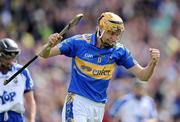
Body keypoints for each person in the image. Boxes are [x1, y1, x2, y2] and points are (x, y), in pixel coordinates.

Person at [39, 12, 160, 122]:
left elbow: (143, 76)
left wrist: (153, 63)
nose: (114, 38)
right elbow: (45, 54)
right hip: (78, 102)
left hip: (98, 107)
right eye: (111, 33)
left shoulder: (119, 51)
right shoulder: (79, 42)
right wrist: (49, 45)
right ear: (100, 29)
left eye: (117, 34)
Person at [0, 38, 36, 122]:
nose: (11, 61)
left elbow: (30, 100)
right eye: (7, 58)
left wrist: (31, 119)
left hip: (16, 118)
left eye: (13, 57)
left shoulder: (22, 72)